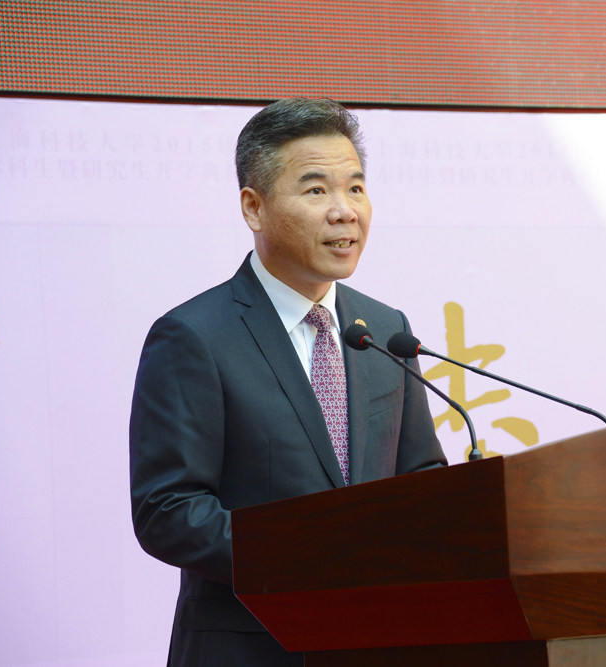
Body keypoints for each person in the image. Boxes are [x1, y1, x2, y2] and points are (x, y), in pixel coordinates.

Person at [129, 98, 446, 667]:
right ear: (254, 207)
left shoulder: (383, 329)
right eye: (316, 189)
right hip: (249, 648)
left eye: (355, 188)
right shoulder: (194, 336)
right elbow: (168, 511)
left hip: (377, 642)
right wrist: (315, 556)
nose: (345, 211)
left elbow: (419, 476)